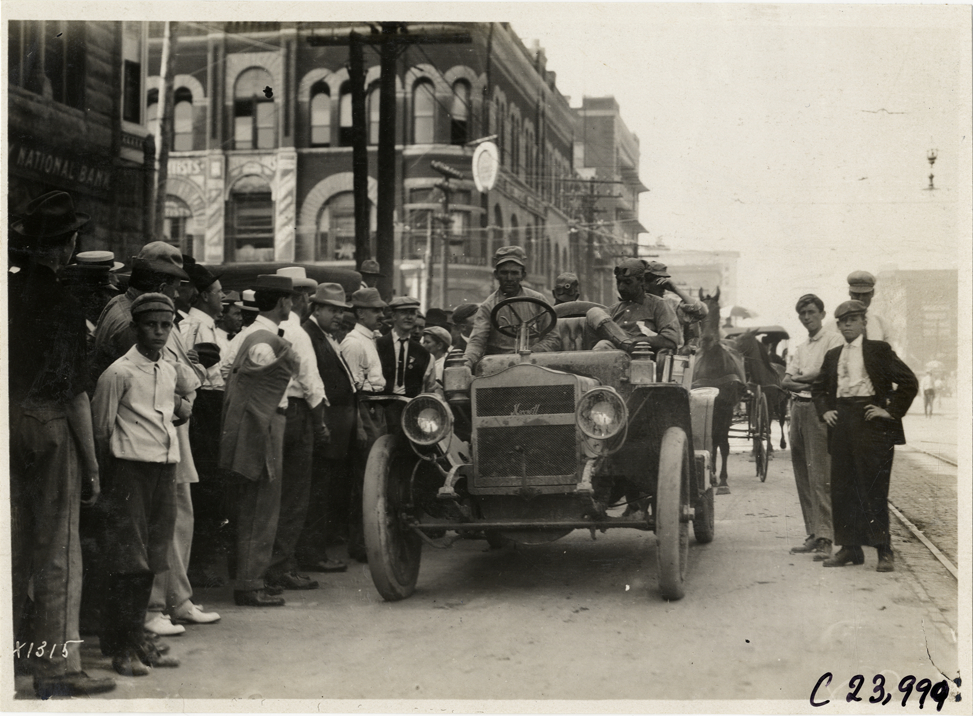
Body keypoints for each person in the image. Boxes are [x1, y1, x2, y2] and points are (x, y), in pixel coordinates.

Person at [8, 191, 117, 697]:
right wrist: (92, 464)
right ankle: (57, 665)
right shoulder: (65, 303)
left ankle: (12, 656)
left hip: (10, 421)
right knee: (59, 549)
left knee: (16, 546)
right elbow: (75, 393)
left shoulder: (10, 295)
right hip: (50, 424)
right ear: (69, 245)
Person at [92, 292, 186, 675]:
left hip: (164, 470)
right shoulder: (119, 373)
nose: (160, 332)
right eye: (151, 324)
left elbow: (171, 410)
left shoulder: (168, 368)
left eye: (166, 325)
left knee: (153, 558)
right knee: (128, 560)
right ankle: (122, 645)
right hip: (129, 471)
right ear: (135, 327)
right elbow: (101, 428)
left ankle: (136, 636)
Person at [812, 300, 918, 573]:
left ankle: (884, 550)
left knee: (873, 487)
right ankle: (849, 548)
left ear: (863, 323)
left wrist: (890, 411)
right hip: (842, 424)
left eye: (854, 319)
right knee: (842, 487)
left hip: (871, 424)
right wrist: (825, 412)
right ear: (837, 325)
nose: (848, 324)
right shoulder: (833, 354)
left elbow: (909, 381)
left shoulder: (879, 351)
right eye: (843, 321)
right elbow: (819, 389)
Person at [219, 275, 300, 606]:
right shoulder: (265, 341)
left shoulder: (252, 335)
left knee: (255, 505)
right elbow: (266, 384)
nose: (292, 305)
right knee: (260, 506)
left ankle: (251, 578)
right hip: (262, 426)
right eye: (291, 300)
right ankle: (250, 585)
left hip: (255, 424)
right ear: (282, 302)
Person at [265, 268, 328, 591]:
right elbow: (311, 383)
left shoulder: (262, 327)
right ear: (301, 299)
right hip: (297, 414)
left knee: (272, 494)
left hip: (270, 413)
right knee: (294, 496)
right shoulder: (298, 332)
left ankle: (269, 563)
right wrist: (319, 424)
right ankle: (281, 566)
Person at [297, 283, 357, 573]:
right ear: (316, 308)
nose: (339, 316)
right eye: (332, 310)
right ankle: (312, 554)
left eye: (341, 311)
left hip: (332, 432)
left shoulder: (325, 336)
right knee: (316, 495)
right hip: (320, 430)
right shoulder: (309, 336)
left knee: (322, 493)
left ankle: (314, 551)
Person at [181, 263, 233, 592]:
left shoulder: (211, 326)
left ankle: (203, 560)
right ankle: (196, 565)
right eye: (217, 293)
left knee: (212, 483)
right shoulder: (194, 326)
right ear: (202, 296)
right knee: (203, 484)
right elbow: (189, 367)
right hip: (202, 403)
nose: (222, 298)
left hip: (215, 404)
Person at [781, 294, 843, 559]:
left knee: (821, 474)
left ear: (822, 313)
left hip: (819, 411)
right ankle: (812, 532)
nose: (807, 317)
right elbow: (785, 381)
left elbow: (832, 374)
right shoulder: (801, 347)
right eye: (802, 314)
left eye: (811, 312)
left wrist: (805, 379)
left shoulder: (833, 340)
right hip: (798, 409)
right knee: (802, 473)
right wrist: (811, 381)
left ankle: (826, 537)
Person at [340, 287, 389, 562]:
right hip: (364, 410)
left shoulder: (369, 339)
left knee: (375, 478)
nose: (381, 315)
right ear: (360, 313)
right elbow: (352, 390)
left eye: (381, 310)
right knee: (364, 480)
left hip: (375, 410)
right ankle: (360, 544)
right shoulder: (354, 343)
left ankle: (369, 541)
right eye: (375, 310)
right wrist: (359, 425)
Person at [464, 246, 560, 367]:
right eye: (504, 273)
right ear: (496, 275)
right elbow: (477, 341)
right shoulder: (488, 306)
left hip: (534, 364)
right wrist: (466, 362)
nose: (509, 278)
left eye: (514, 273)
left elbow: (553, 338)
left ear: (523, 275)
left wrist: (531, 354)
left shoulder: (538, 300)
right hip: (499, 366)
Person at [377, 296, 438, 430]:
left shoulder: (424, 355)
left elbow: (429, 390)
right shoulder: (378, 346)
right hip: (381, 414)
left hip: (412, 414)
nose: (409, 317)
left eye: (412, 312)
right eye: (404, 312)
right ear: (393, 316)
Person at [607, 258, 680, 353]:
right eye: (619, 282)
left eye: (627, 282)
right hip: (612, 360)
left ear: (641, 281)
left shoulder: (658, 305)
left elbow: (670, 341)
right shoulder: (614, 309)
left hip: (643, 361)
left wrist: (633, 341)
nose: (621, 287)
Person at [642, 260, 708, 353]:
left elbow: (701, 312)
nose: (663, 286)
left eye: (665, 281)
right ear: (645, 284)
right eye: (658, 281)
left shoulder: (670, 304)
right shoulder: (636, 305)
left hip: (668, 358)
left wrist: (675, 289)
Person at [846, 271, 894, 346]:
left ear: (872, 293)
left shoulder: (880, 323)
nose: (860, 298)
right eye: (856, 294)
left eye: (865, 294)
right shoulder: (836, 324)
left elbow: (890, 354)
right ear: (850, 293)